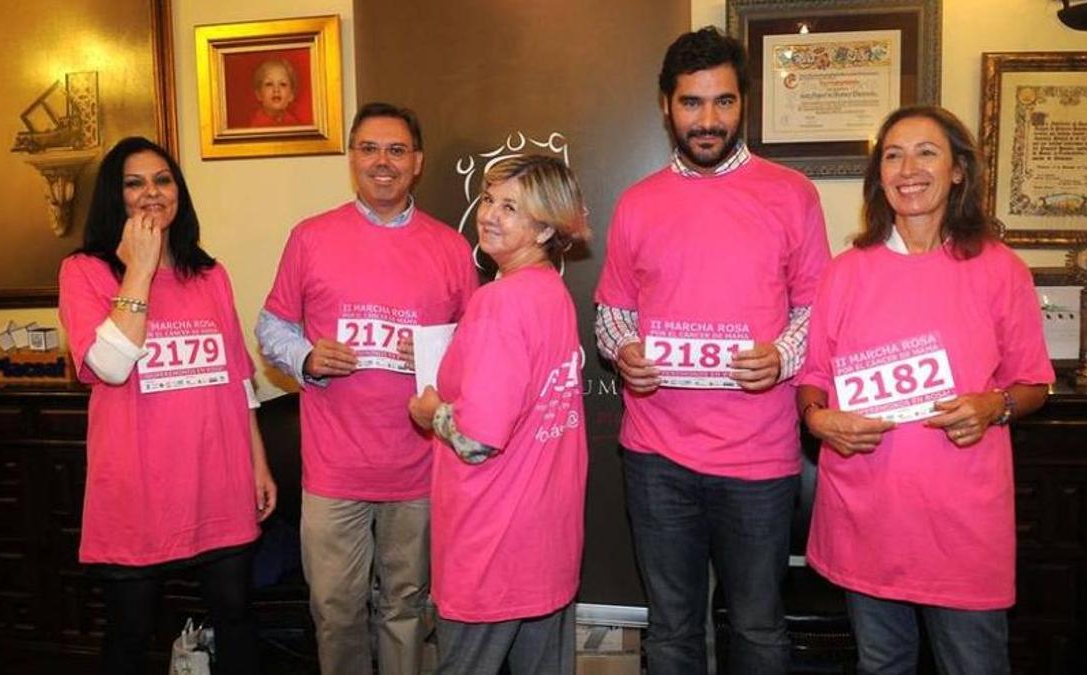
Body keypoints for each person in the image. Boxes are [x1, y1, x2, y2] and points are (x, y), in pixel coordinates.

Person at [594, 27, 831, 674]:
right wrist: (624, 351)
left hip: (759, 459)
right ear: (666, 106)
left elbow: (816, 308)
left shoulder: (792, 194)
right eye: (691, 103)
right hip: (656, 460)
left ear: (743, 103)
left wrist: (782, 355)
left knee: (757, 626)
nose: (708, 120)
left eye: (722, 102)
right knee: (671, 631)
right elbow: (611, 313)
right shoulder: (638, 203)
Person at [796, 105, 1054, 674]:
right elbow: (814, 380)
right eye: (893, 155)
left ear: (958, 171)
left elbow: (1034, 383)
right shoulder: (844, 273)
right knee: (882, 663)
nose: (908, 168)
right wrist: (818, 420)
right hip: (868, 510)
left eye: (926, 152)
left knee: (974, 664)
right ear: (878, 174)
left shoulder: (1000, 269)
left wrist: (994, 405)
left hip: (961, 519)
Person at [256, 102, 477, 675]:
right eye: (370, 149)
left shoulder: (451, 248)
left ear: (418, 163)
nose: (383, 162)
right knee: (335, 610)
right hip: (334, 471)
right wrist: (306, 355)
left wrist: (436, 355)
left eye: (397, 150)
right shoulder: (310, 238)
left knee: (405, 608)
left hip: (418, 468)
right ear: (352, 157)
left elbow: (478, 347)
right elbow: (271, 325)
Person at [58, 136, 277, 675]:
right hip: (137, 488)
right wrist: (138, 269)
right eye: (135, 183)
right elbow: (111, 365)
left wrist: (258, 462)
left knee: (237, 616)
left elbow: (237, 379)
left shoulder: (211, 274)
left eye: (163, 179)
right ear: (116, 195)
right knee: (130, 634)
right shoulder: (84, 271)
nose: (151, 192)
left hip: (217, 477)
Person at [408, 155, 590, 675]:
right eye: (489, 199)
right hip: (545, 544)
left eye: (511, 207)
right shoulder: (552, 293)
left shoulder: (499, 302)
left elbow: (476, 439)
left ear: (546, 227)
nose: (490, 214)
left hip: (492, 546)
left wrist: (430, 411)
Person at [249, 58, 300, 127]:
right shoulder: (256, 126)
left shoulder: (295, 124)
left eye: (282, 84)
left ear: (291, 95)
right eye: (269, 84)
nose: (276, 89)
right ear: (259, 94)